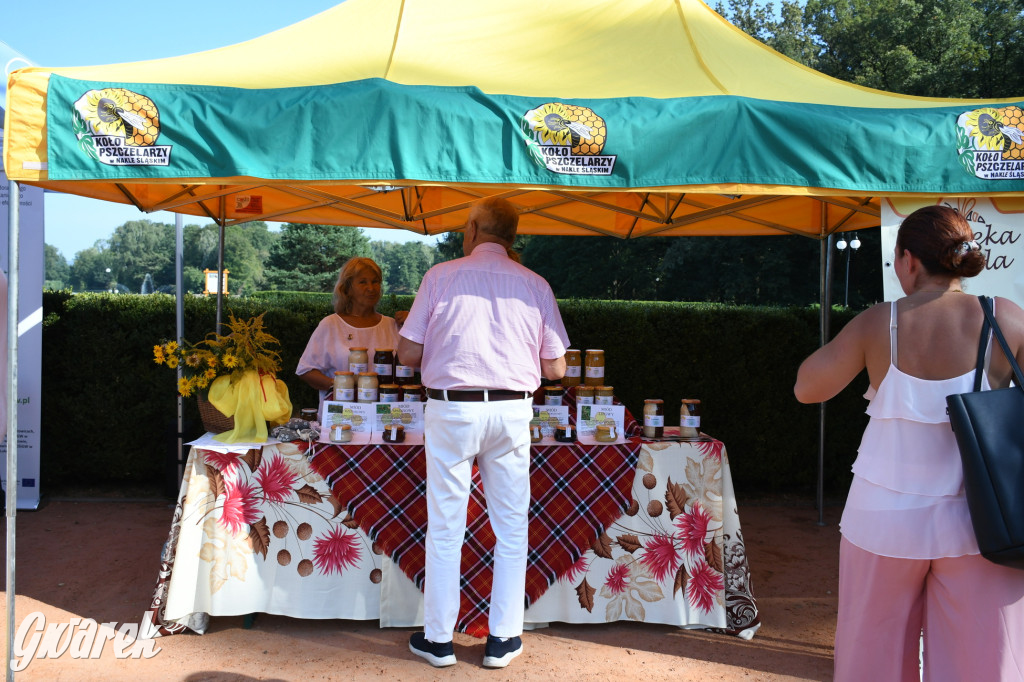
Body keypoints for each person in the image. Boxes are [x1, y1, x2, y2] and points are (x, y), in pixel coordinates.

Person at [793, 205, 1024, 682]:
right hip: (984, 523)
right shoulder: (1007, 317)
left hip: (882, 522)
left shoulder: (880, 322)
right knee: (982, 662)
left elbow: (807, 388)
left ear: (908, 260)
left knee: (870, 657)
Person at [397, 196, 568, 669]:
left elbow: (408, 355)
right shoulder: (535, 284)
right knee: (512, 528)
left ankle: (439, 641)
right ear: (512, 235)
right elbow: (555, 366)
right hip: (513, 411)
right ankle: (503, 640)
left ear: (472, 229)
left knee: (447, 527)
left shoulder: (441, 276)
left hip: (452, 410)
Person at [296, 257, 401, 410]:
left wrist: (414, 323)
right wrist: (341, 385)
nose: (371, 288)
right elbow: (305, 370)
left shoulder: (392, 325)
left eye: (375, 281)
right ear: (347, 289)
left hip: (384, 415)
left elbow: (416, 365)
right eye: (363, 282)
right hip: (341, 415)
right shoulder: (331, 324)